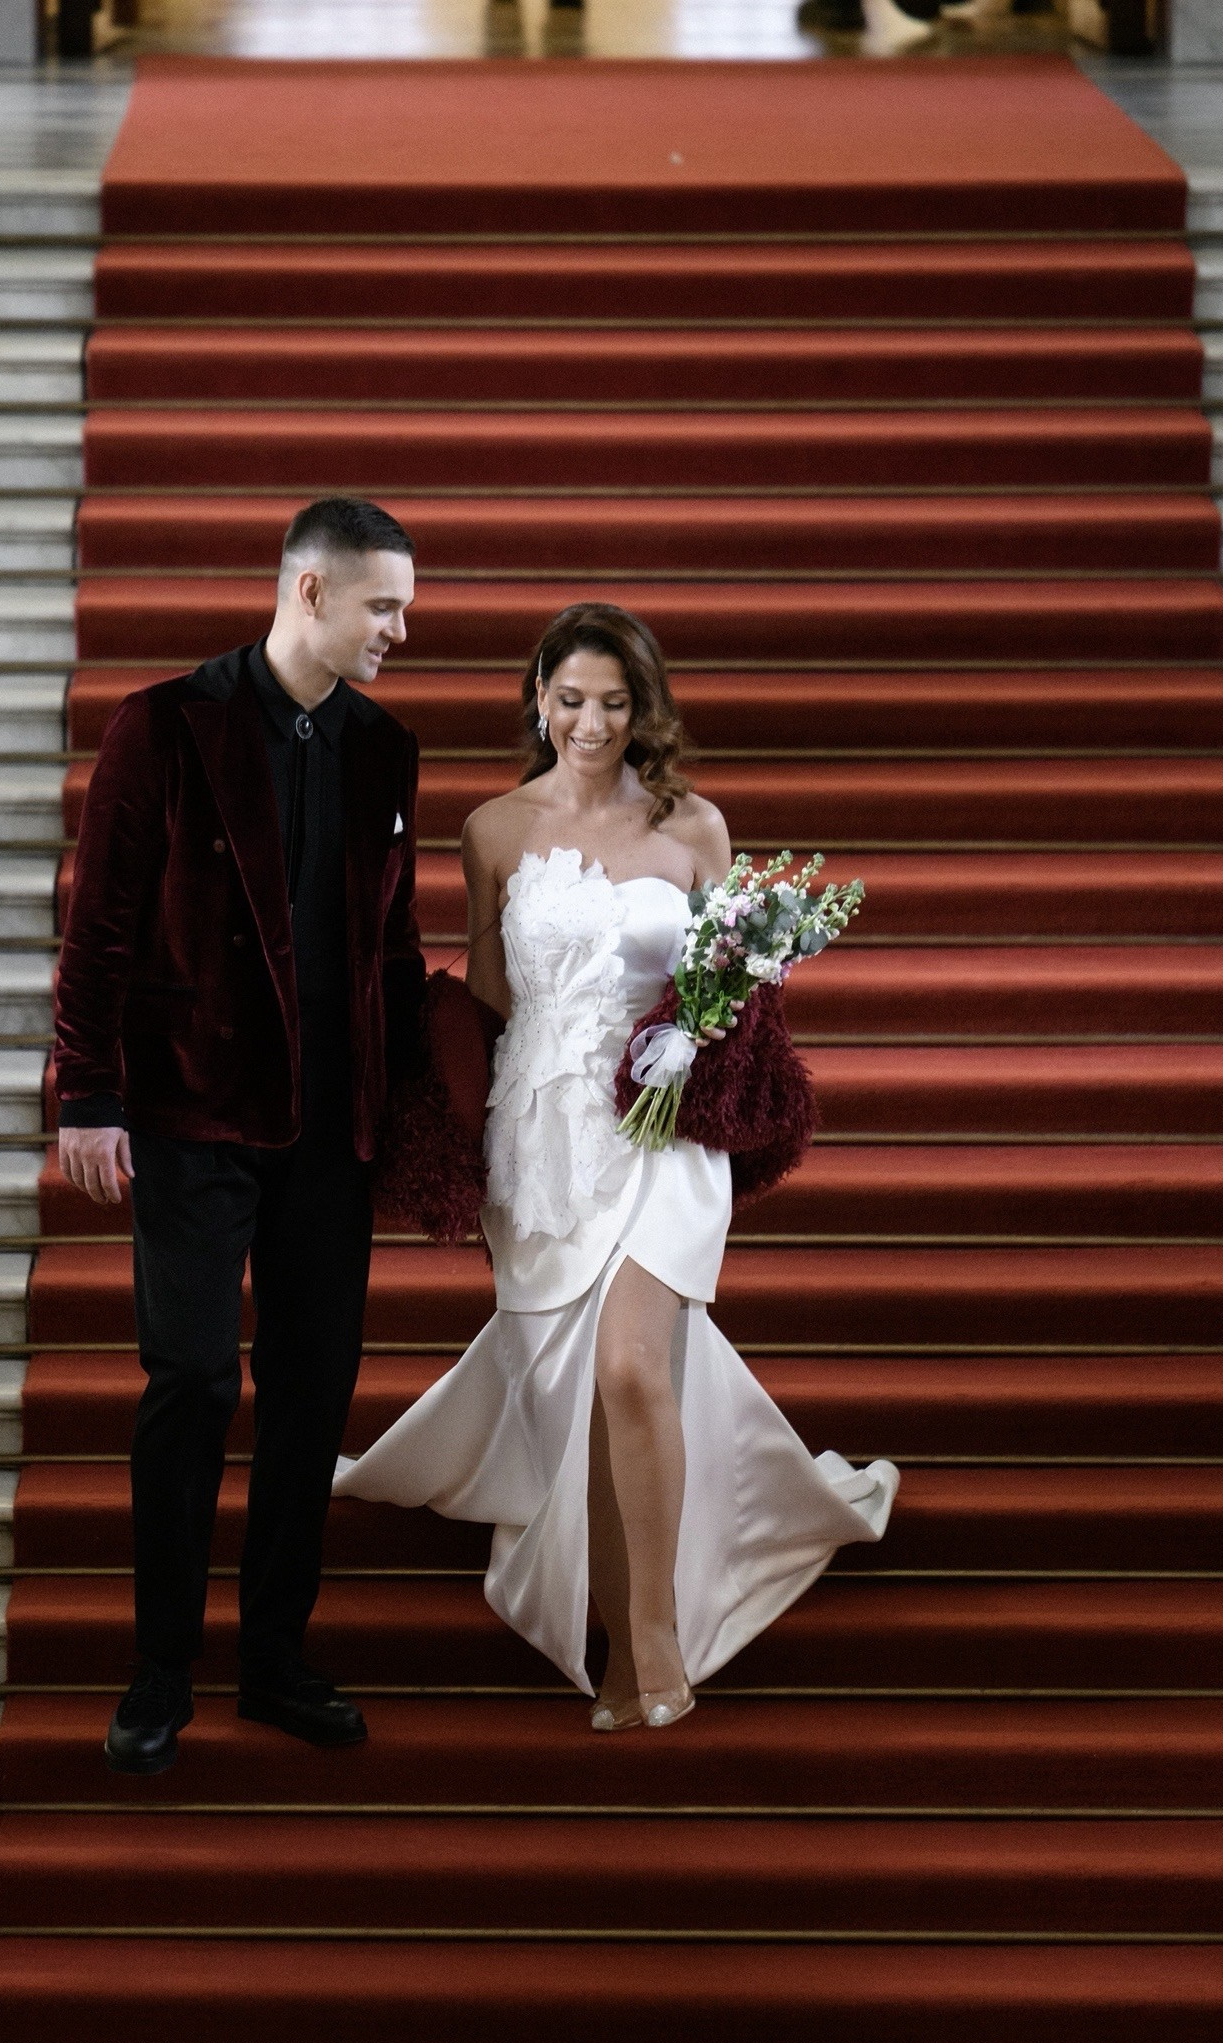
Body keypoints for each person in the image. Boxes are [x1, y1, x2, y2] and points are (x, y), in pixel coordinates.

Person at [336, 604, 898, 1731]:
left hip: (661, 1126)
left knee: (634, 1368)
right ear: (538, 699)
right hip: (541, 1132)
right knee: (582, 1400)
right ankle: (618, 1645)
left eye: (613, 702)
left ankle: (657, 1643)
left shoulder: (693, 826)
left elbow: (742, 988)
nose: (589, 724)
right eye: (569, 700)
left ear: (644, 709)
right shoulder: (493, 829)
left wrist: (704, 1027)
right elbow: (488, 997)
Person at [52, 496, 422, 1773]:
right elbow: (97, 925)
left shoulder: (383, 747)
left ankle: (273, 1657)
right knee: (195, 1381)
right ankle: (161, 1670)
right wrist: (86, 1095)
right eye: (383, 607)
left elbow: (389, 949)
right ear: (309, 592)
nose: (399, 631)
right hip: (192, 1109)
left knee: (312, 1391)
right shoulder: (164, 725)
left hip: (331, 1132)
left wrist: (413, 1113)